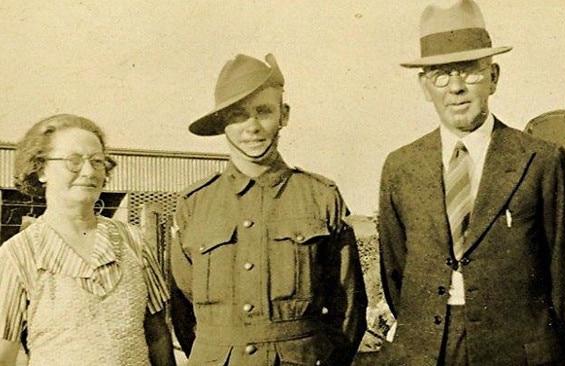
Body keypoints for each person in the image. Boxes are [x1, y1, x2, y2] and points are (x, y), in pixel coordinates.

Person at [377, 1, 565, 364]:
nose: (456, 88)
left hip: (517, 352)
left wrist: (539, 345)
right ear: (425, 87)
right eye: (441, 75)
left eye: (470, 72)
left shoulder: (540, 159)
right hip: (426, 352)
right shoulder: (401, 167)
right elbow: (395, 271)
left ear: (494, 77)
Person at [170, 53, 367, 366]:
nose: (252, 127)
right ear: (223, 123)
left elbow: (349, 307)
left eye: (263, 111)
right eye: (238, 115)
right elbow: (182, 311)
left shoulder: (320, 196)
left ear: (283, 115)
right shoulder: (194, 205)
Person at [0, 114, 176, 366]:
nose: (89, 171)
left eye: (97, 161)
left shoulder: (134, 240)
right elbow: (4, 353)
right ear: (41, 170)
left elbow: (158, 336)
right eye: (74, 161)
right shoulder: (18, 254)